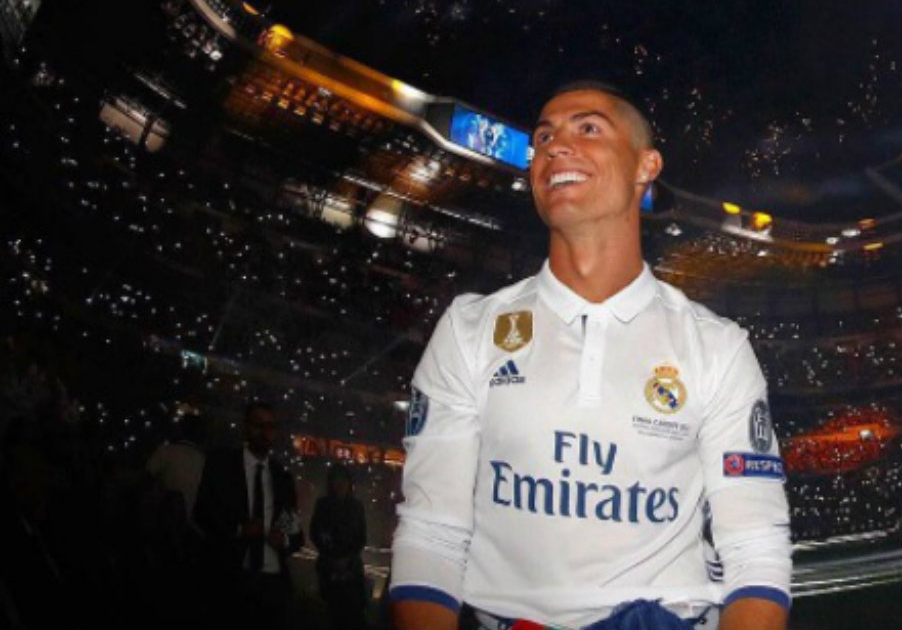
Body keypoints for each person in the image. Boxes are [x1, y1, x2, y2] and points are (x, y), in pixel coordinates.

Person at [389, 82, 792, 630]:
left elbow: (755, 553)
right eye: (544, 137)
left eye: (588, 128)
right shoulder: (470, 330)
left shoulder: (716, 347)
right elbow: (431, 534)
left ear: (645, 165)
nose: (555, 147)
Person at [194, 401, 304, 628]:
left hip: (272, 580)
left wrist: (283, 539)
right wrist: (238, 530)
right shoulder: (221, 464)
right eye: (259, 425)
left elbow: (296, 533)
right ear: (246, 427)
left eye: (270, 426)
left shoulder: (282, 478)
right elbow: (201, 513)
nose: (265, 432)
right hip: (231, 575)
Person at [311, 463, 368, 629]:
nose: (340, 483)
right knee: (330, 614)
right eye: (336, 479)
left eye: (343, 480)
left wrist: (347, 558)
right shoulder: (322, 504)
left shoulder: (357, 506)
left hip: (352, 572)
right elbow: (315, 533)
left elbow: (361, 537)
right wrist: (332, 557)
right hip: (328, 569)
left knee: (353, 615)